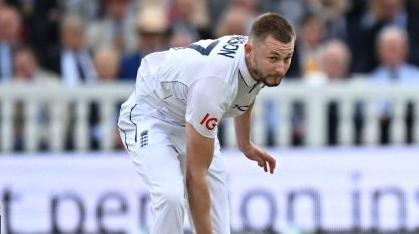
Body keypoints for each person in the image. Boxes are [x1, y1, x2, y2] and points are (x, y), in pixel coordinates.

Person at [117, 12, 295, 233]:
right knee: (170, 197)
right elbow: (195, 175)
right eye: (274, 59)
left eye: (287, 59)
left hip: (191, 113)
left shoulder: (258, 56)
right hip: (152, 115)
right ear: (249, 51)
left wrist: (245, 143)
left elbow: (247, 90)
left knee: (219, 223)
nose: (281, 68)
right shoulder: (216, 83)